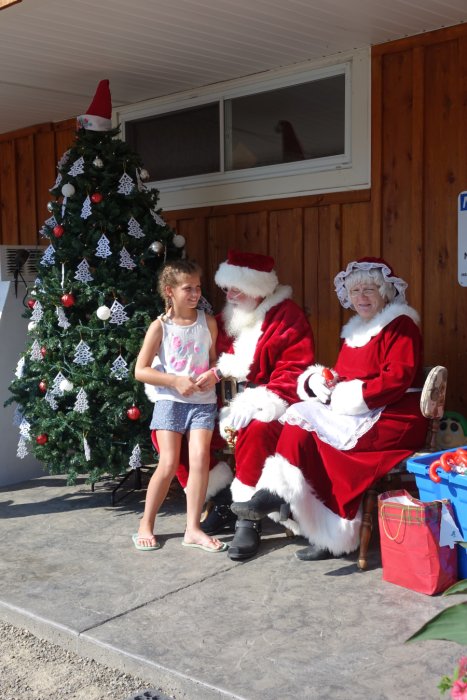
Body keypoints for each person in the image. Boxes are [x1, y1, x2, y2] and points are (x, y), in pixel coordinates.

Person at [232, 257, 428, 561]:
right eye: (355, 292)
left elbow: (397, 378)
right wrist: (322, 382)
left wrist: (351, 395)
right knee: (298, 421)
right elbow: (344, 375)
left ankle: (290, 502)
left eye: (369, 290)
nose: (361, 298)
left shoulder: (399, 324)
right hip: (361, 410)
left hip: (393, 415)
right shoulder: (355, 330)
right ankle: (294, 505)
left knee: (322, 441)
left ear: (385, 291)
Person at [176, 249, 315, 561]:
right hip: (223, 401)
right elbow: (219, 359)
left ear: (257, 288)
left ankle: (247, 518)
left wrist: (256, 401)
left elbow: (294, 370)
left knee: (255, 430)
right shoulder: (231, 316)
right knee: (173, 431)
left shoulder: (287, 316)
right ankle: (223, 498)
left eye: (235, 289)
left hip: (275, 403)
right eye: (226, 289)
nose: (229, 295)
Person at [133, 259, 227, 553]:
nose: (196, 293)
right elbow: (141, 370)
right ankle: (146, 524)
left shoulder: (207, 322)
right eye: (188, 288)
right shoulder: (160, 326)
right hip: (170, 402)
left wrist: (213, 374)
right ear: (169, 291)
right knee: (169, 463)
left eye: (198, 287)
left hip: (202, 403)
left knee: (200, 459)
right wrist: (175, 381)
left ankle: (193, 529)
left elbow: (214, 361)